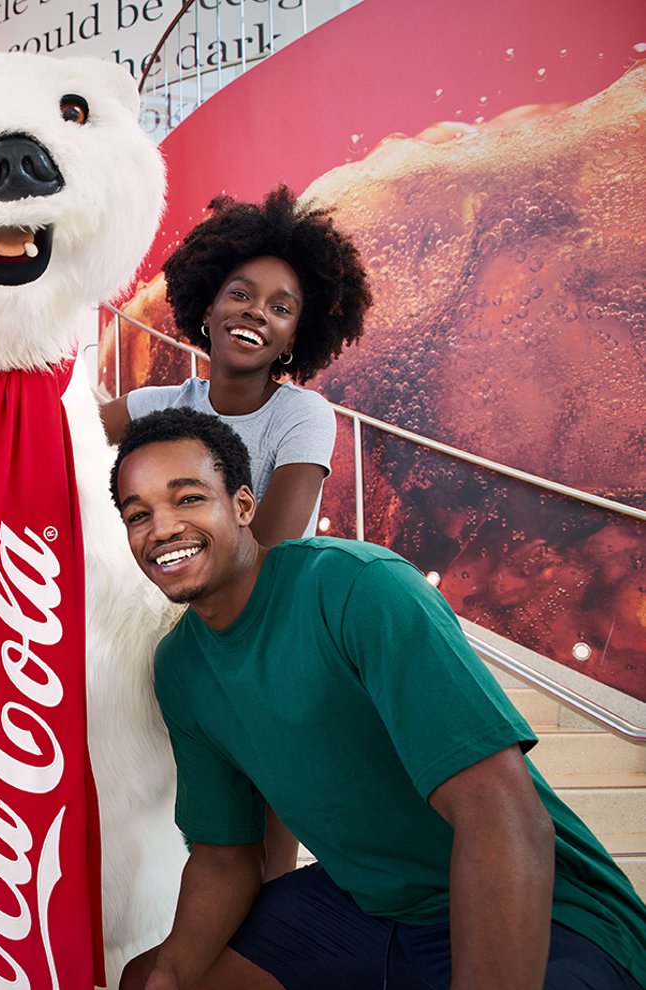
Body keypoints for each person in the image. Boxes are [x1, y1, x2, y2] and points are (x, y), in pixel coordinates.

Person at [110, 407, 646, 990]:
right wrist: (169, 972)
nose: (161, 528)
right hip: (364, 904)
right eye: (139, 515)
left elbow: (504, 820)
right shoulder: (180, 666)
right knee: (150, 979)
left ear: (242, 506)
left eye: (187, 498)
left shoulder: (359, 586)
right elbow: (227, 855)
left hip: (544, 910)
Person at [102, 184, 372, 878]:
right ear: (208, 302)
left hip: (274, 642)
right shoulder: (160, 405)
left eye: (282, 308)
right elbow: (61, 441)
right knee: (202, 845)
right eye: (241, 294)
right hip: (189, 634)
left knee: (267, 856)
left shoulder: (302, 415)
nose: (257, 314)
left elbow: (271, 549)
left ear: (298, 334)